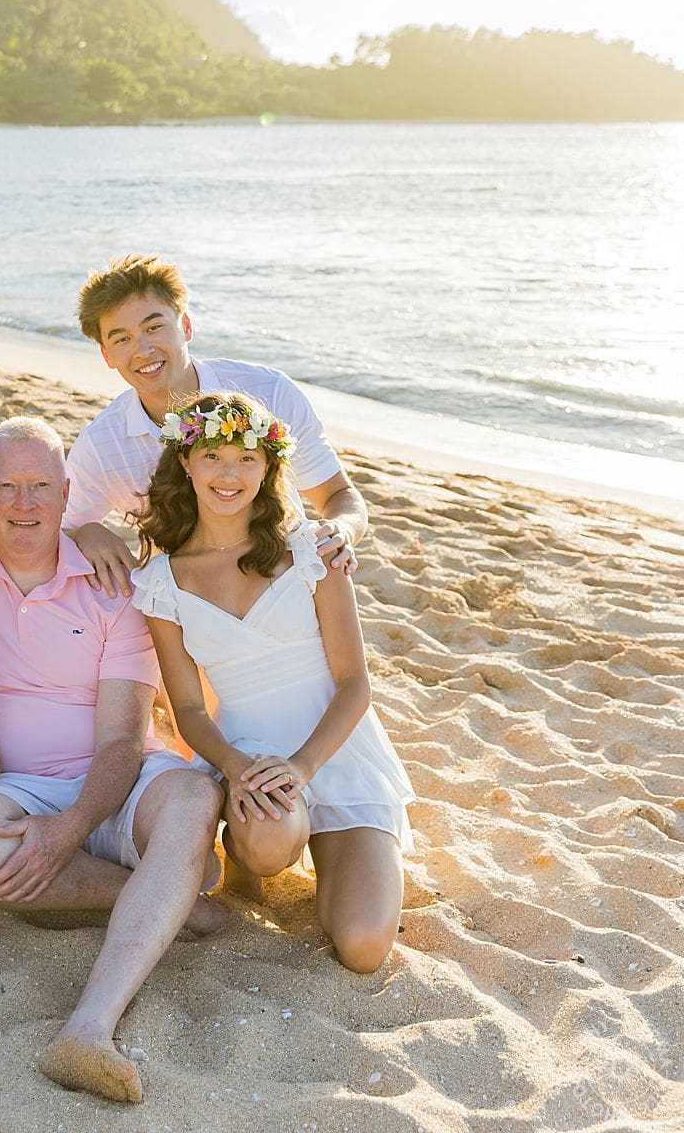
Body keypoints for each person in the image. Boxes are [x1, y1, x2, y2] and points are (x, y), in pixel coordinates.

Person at [0, 415, 225, 1106]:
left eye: (39, 487)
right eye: (8, 488)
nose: (24, 505)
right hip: (12, 784)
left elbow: (122, 739)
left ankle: (89, 1028)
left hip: (115, 777)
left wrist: (70, 830)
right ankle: (165, 900)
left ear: (66, 493)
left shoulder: (114, 585)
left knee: (190, 800)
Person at [131, 392, 415, 969]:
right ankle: (244, 850)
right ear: (186, 461)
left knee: (363, 948)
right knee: (266, 846)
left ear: (268, 467)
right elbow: (187, 709)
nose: (229, 474)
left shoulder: (313, 550)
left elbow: (355, 684)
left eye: (247, 458)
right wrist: (236, 767)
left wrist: (303, 767)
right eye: (213, 455)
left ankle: (347, 850)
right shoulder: (162, 580)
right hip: (251, 757)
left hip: (337, 752)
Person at [64, 255, 367, 593]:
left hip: (288, 584)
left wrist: (343, 528)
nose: (144, 350)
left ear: (186, 327)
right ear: (106, 354)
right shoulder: (103, 443)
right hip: (185, 605)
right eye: (122, 339)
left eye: (154, 327)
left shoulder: (270, 392)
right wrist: (87, 532)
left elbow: (339, 495)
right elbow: (58, 528)